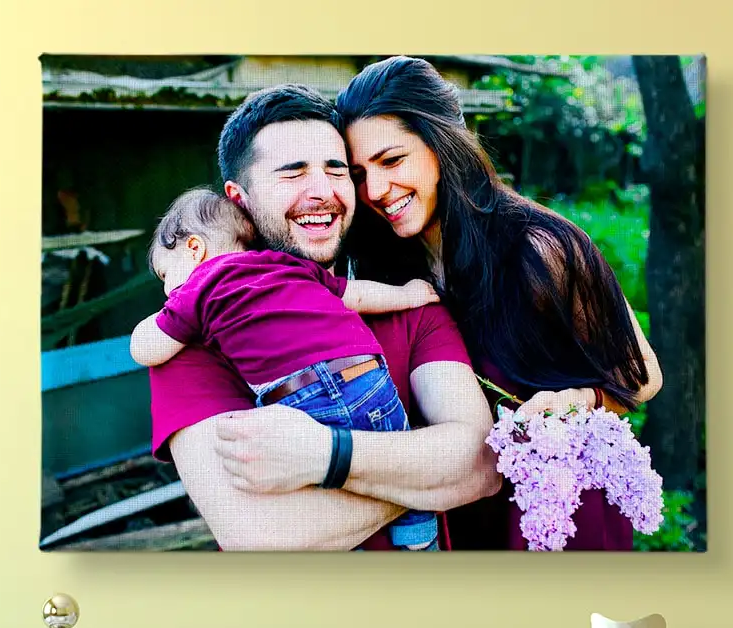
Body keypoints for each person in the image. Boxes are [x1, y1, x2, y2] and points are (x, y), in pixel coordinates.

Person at [144, 84, 501, 551]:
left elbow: (481, 465)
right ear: (240, 198)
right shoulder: (195, 338)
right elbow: (260, 539)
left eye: (336, 170)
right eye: (292, 174)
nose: (322, 192)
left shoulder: (408, 305)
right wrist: (426, 466)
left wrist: (325, 457)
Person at [333, 55, 665, 550]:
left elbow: (641, 375)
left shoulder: (536, 249)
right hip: (457, 522)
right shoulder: (386, 271)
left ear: (442, 145)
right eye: (359, 174)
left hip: (559, 519)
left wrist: (578, 399)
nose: (375, 191)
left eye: (392, 161)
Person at [131, 186, 443, 550]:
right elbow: (354, 295)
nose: (168, 290)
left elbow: (147, 349)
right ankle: (422, 537)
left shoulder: (199, 288)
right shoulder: (287, 265)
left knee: (319, 475)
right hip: (369, 377)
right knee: (395, 450)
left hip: (304, 396)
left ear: (194, 249)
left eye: (166, 275)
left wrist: (159, 318)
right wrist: (410, 294)